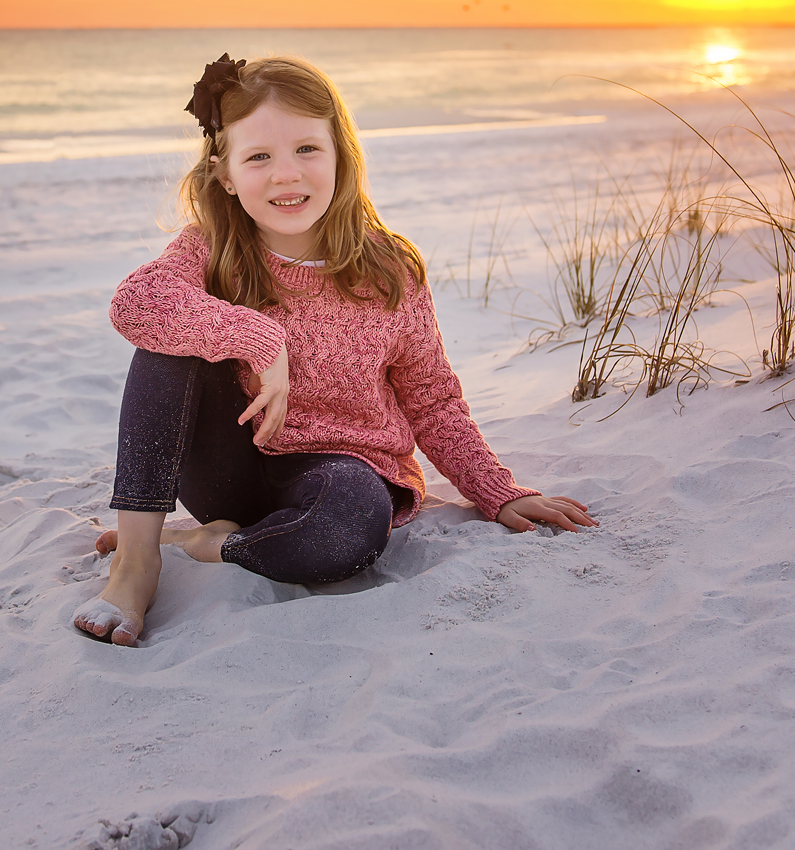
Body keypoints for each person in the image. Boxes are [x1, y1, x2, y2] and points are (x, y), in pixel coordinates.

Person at [73, 53, 597, 646]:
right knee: (167, 339)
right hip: (228, 466)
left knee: (354, 524)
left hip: (340, 473)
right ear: (225, 174)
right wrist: (256, 337)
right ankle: (137, 562)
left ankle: (206, 541)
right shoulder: (212, 249)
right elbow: (136, 302)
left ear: (341, 155)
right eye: (258, 157)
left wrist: (496, 492)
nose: (285, 174)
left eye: (306, 149)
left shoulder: (389, 270)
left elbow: (433, 401)